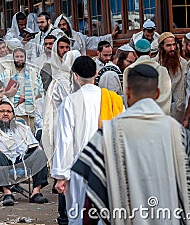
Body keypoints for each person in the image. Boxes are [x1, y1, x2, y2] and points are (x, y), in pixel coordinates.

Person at [72, 64, 190, 225]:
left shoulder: (107, 136)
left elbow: (91, 202)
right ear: (157, 93)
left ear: (127, 92)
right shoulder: (185, 139)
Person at [52, 56, 124, 225]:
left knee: (79, 215)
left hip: (80, 168)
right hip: (109, 167)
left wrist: (61, 174)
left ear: (75, 76)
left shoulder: (70, 102)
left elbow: (65, 140)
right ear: (96, 74)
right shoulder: (114, 100)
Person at [0, 101, 49, 206]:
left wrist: (35, 150)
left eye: (9, 111)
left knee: (40, 154)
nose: (5, 113)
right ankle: (7, 193)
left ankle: (36, 193)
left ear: (13, 115)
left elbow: (34, 144)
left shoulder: (21, 128)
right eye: (2, 111)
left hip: (20, 160)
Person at [0, 48, 43, 130]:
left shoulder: (33, 72)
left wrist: (29, 97)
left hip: (29, 113)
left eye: (21, 56)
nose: (19, 59)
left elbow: (41, 90)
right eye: (17, 56)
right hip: (14, 113)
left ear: (25, 58)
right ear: (13, 58)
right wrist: (7, 93)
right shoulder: (7, 73)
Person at [123, 39, 171, 115]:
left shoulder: (129, 70)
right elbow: (166, 96)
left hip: (136, 118)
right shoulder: (162, 70)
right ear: (150, 53)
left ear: (135, 53)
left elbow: (127, 97)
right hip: (159, 118)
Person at [154, 32, 187, 122]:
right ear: (161, 47)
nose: (172, 48)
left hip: (179, 113)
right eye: (168, 45)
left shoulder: (183, 64)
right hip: (160, 113)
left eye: (174, 45)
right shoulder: (154, 65)